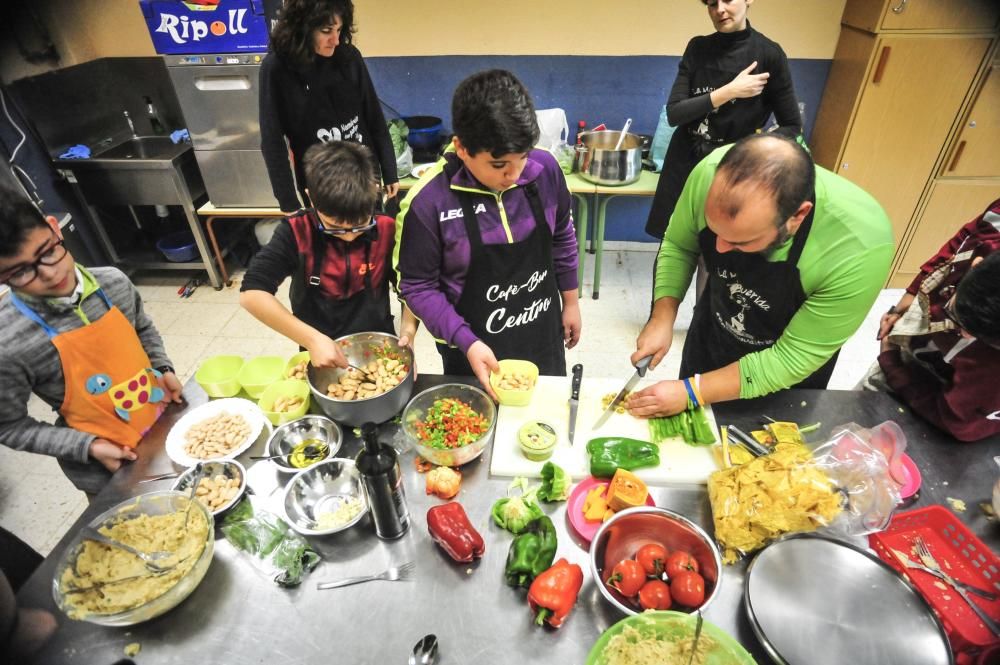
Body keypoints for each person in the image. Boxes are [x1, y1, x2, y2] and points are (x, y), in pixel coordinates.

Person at [628, 134, 893, 417]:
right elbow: (680, 245)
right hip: (713, 336)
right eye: (714, 231)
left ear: (798, 216)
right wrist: (662, 318)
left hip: (786, 377)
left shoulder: (859, 247)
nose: (718, 248)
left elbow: (792, 358)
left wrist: (693, 391)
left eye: (740, 242)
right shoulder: (712, 173)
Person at [394, 70, 581, 397]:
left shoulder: (544, 170)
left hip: (542, 333)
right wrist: (467, 342)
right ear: (461, 148)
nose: (514, 174)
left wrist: (570, 300)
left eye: (522, 157)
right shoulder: (428, 204)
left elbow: (561, 234)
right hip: (469, 348)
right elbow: (418, 287)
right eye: (499, 165)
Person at [0, 188, 182, 495]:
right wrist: (88, 446)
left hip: (162, 426)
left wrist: (162, 367)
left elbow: (142, 328)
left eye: (47, 251)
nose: (48, 273)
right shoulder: (9, 343)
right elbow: (9, 426)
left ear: (54, 228)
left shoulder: (113, 282)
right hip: (107, 468)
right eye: (21, 272)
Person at [241, 140, 417, 368]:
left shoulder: (386, 229)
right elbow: (252, 294)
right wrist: (311, 340)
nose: (349, 236)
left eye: (360, 225)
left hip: (377, 340)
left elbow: (412, 285)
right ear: (311, 198)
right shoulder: (296, 231)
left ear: (374, 193)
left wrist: (408, 331)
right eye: (334, 226)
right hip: (318, 345)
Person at [645, 0, 801, 240]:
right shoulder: (698, 48)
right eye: (711, 3)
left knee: (717, 249)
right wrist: (729, 91)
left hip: (731, 168)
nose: (719, 10)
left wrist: (752, 151)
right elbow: (675, 113)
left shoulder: (769, 54)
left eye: (727, 0)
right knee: (671, 244)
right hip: (684, 161)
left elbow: (792, 125)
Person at [868, 198, 1000, 441]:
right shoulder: (994, 224)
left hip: (950, 410)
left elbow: (960, 423)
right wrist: (904, 305)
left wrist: (891, 363)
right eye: (958, 317)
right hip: (916, 356)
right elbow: (963, 242)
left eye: (984, 337)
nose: (967, 335)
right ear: (976, 264)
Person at [259, 0, 398, 214]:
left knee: (371, 236)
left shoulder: (349, 57)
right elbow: (272, 140)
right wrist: (288, 204)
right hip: (320, 185)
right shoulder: (276, 69)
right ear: (303, 27)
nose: (335, 40)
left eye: (339, 30)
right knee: (332, 240)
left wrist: (390, 169)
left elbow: (374, 117)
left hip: (364, 175)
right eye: (326, 31)